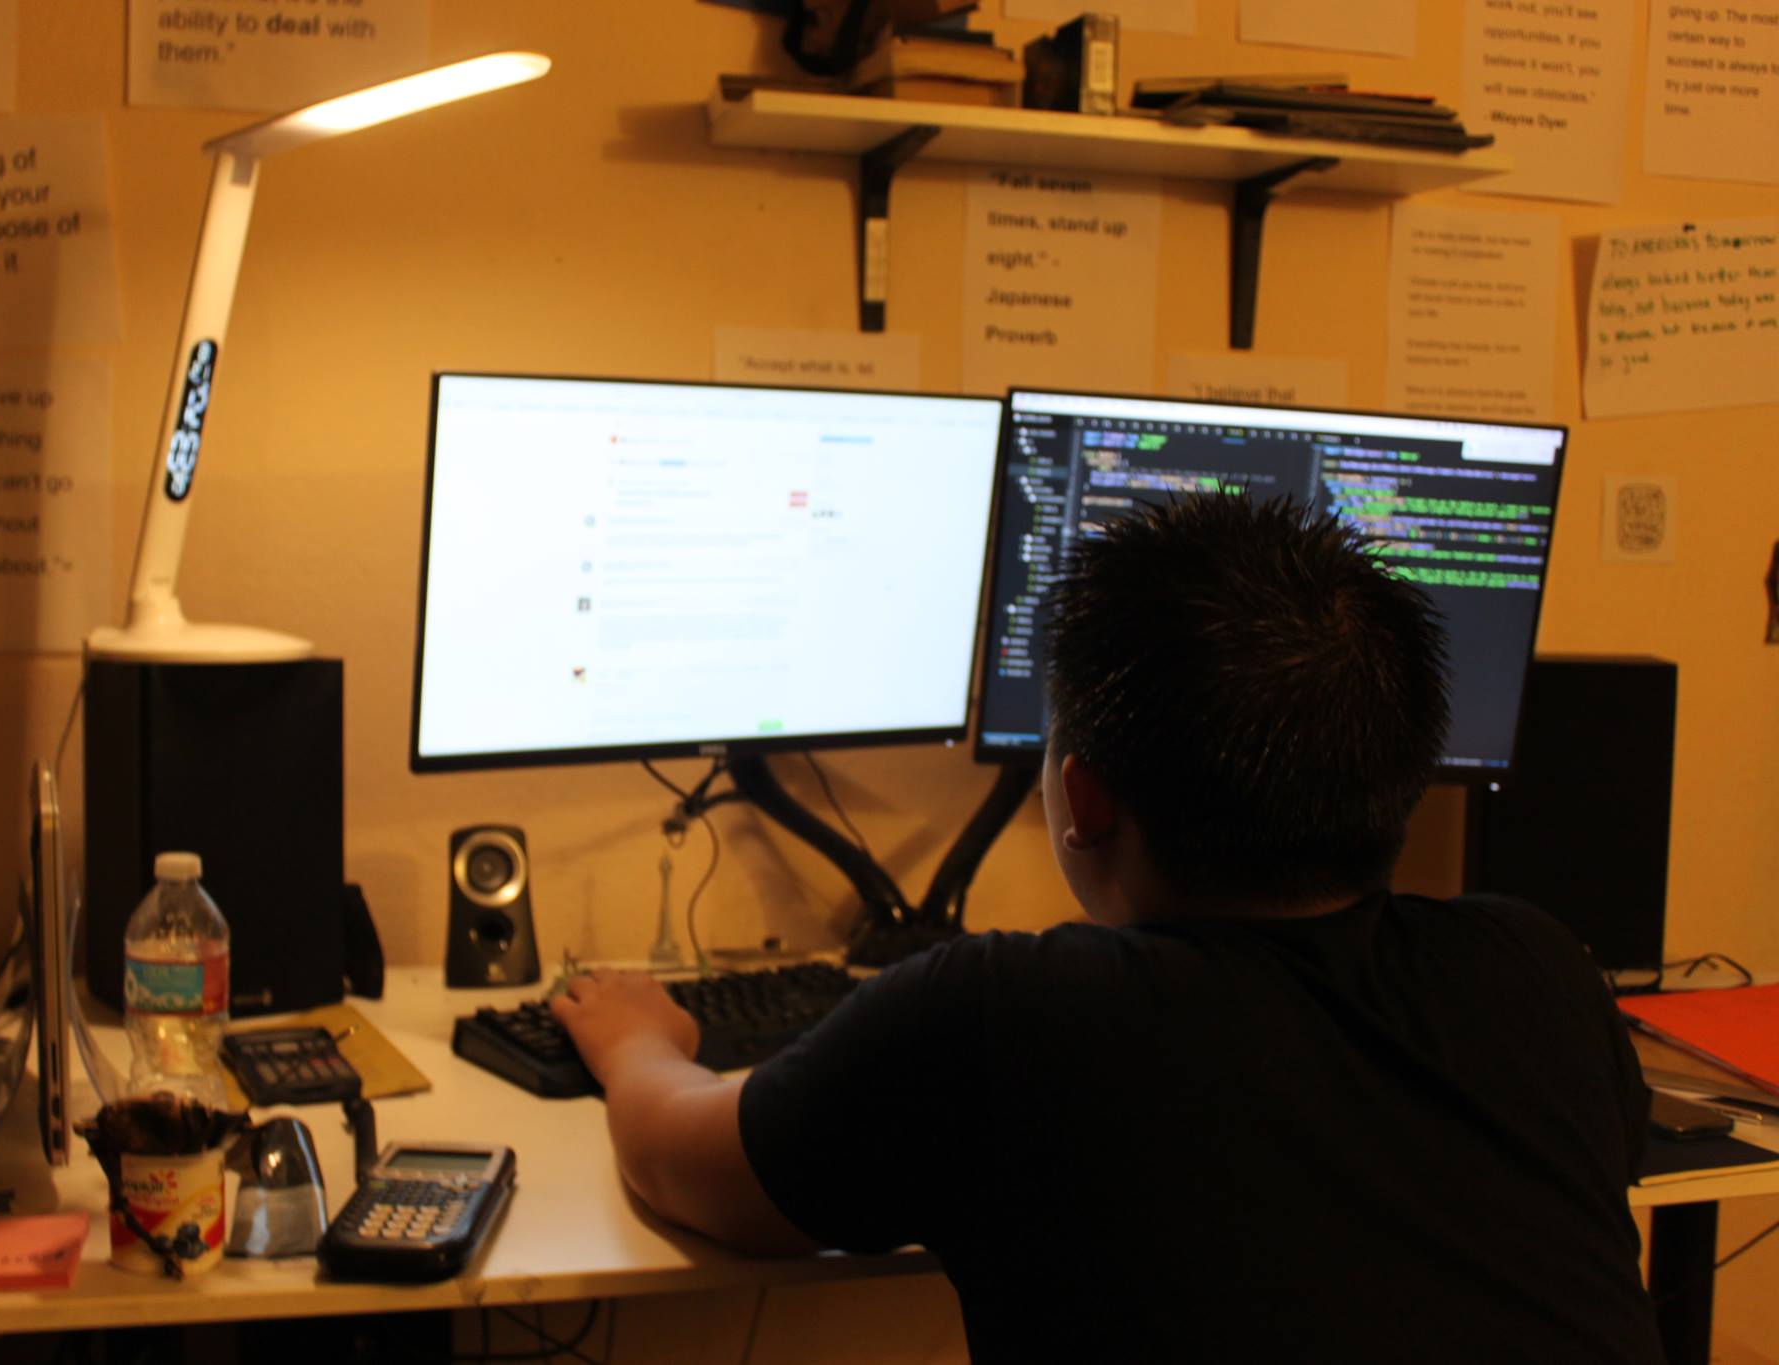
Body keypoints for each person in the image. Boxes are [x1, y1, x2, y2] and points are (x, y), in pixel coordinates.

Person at [552, 492, 1665, 1363]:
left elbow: (680, 1165)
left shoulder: (1009, 1016)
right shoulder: (1535, 969)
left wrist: (634, 1037)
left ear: (1081, 800)